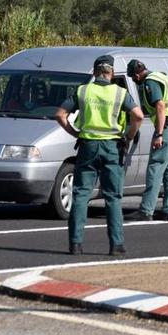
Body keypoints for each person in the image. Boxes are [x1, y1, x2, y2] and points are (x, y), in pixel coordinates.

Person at [55, 55, 143, 255]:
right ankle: (116, 245)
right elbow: (138, 116)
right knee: (112, 196)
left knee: (80, 195)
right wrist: (128, 136)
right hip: (112, 146)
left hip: (87, 146)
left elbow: (60, 114)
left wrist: (76, 132)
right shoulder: (120, 93)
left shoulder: (83, 90)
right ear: (111, 73)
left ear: (94, 72)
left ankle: (75, 244)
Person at [124, 59, 168, 222]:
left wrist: (159, 134)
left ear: (138, 75)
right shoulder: (161, 76)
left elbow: (160, 106)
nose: (134, 81)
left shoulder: (149, 82)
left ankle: (146, 210)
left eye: (133, 78)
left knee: (156, 165)